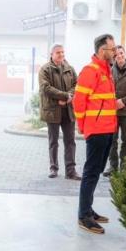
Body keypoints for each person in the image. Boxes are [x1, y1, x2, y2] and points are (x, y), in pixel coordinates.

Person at [73, 34, 118, 234]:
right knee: (91, 172)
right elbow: (78, 101)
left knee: (97, 171)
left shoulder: (106, 71)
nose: (115, 51)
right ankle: (83, 216)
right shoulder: (90, 71)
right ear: (102, 51)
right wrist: (84, 126)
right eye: (112, 48)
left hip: (108, 129)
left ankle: (88, 210)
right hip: (97, 130)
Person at [39, 44, 81, 180]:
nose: (61, 55)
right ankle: (53, 168)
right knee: (53, 141)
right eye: (58, 53)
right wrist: (64, 96)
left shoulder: (70, 69)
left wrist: (68, 96)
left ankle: (71, 171)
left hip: (68, 110)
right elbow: (46, 88)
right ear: (51, 54)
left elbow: (77, 85)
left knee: (70, 141)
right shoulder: (45, 69)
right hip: (53, 110)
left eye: (62, 52)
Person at [104, 45, 126, 177]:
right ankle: (112, 166)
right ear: (114, 57)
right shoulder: (109, 71)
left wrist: (122, 101)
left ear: (125, 53)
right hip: (112, 113)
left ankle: (124, 167)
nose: (119, 56)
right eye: (116, 55)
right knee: (112, 141)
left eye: (121, 53)